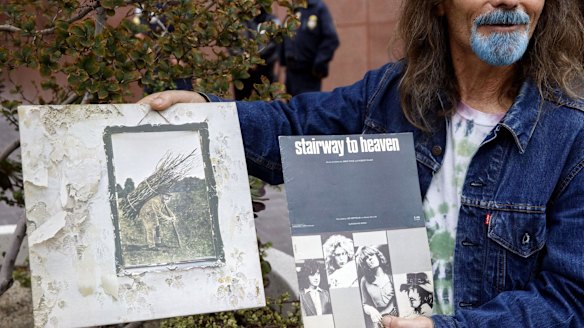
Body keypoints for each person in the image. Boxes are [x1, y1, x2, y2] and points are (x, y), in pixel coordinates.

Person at [140, 0, 584, 326]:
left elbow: (570, 301)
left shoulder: (572, 135)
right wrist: (206, 112)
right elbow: (294, 123)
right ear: (438, 6)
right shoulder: (392, 95)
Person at [280, 0, 339, 96]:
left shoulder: (318, 8)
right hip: (291, 73)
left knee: (307, 107)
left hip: (308, 73)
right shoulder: (294, 9)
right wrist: (283, 60)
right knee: (291, 107)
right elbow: (283, 35)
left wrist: (319, 63)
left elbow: (331, 38)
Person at [233, 8, 281, 100]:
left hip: (264, 68)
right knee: (241, 102)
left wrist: (256, 57)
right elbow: (232, 44)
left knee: (267, 100)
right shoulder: (238, 20)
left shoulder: (271, 20)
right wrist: (244, 57)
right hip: (242, 69)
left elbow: (273, 44)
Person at [355, 246, 398, 327]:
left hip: (398, 317)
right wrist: (371, 310)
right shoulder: (364, 281)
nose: (370, 259)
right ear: (365, 264)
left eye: (372, 255)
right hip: (380, 321)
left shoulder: (391, 275)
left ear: (378, 256)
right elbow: (365, 304)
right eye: (366, 258)